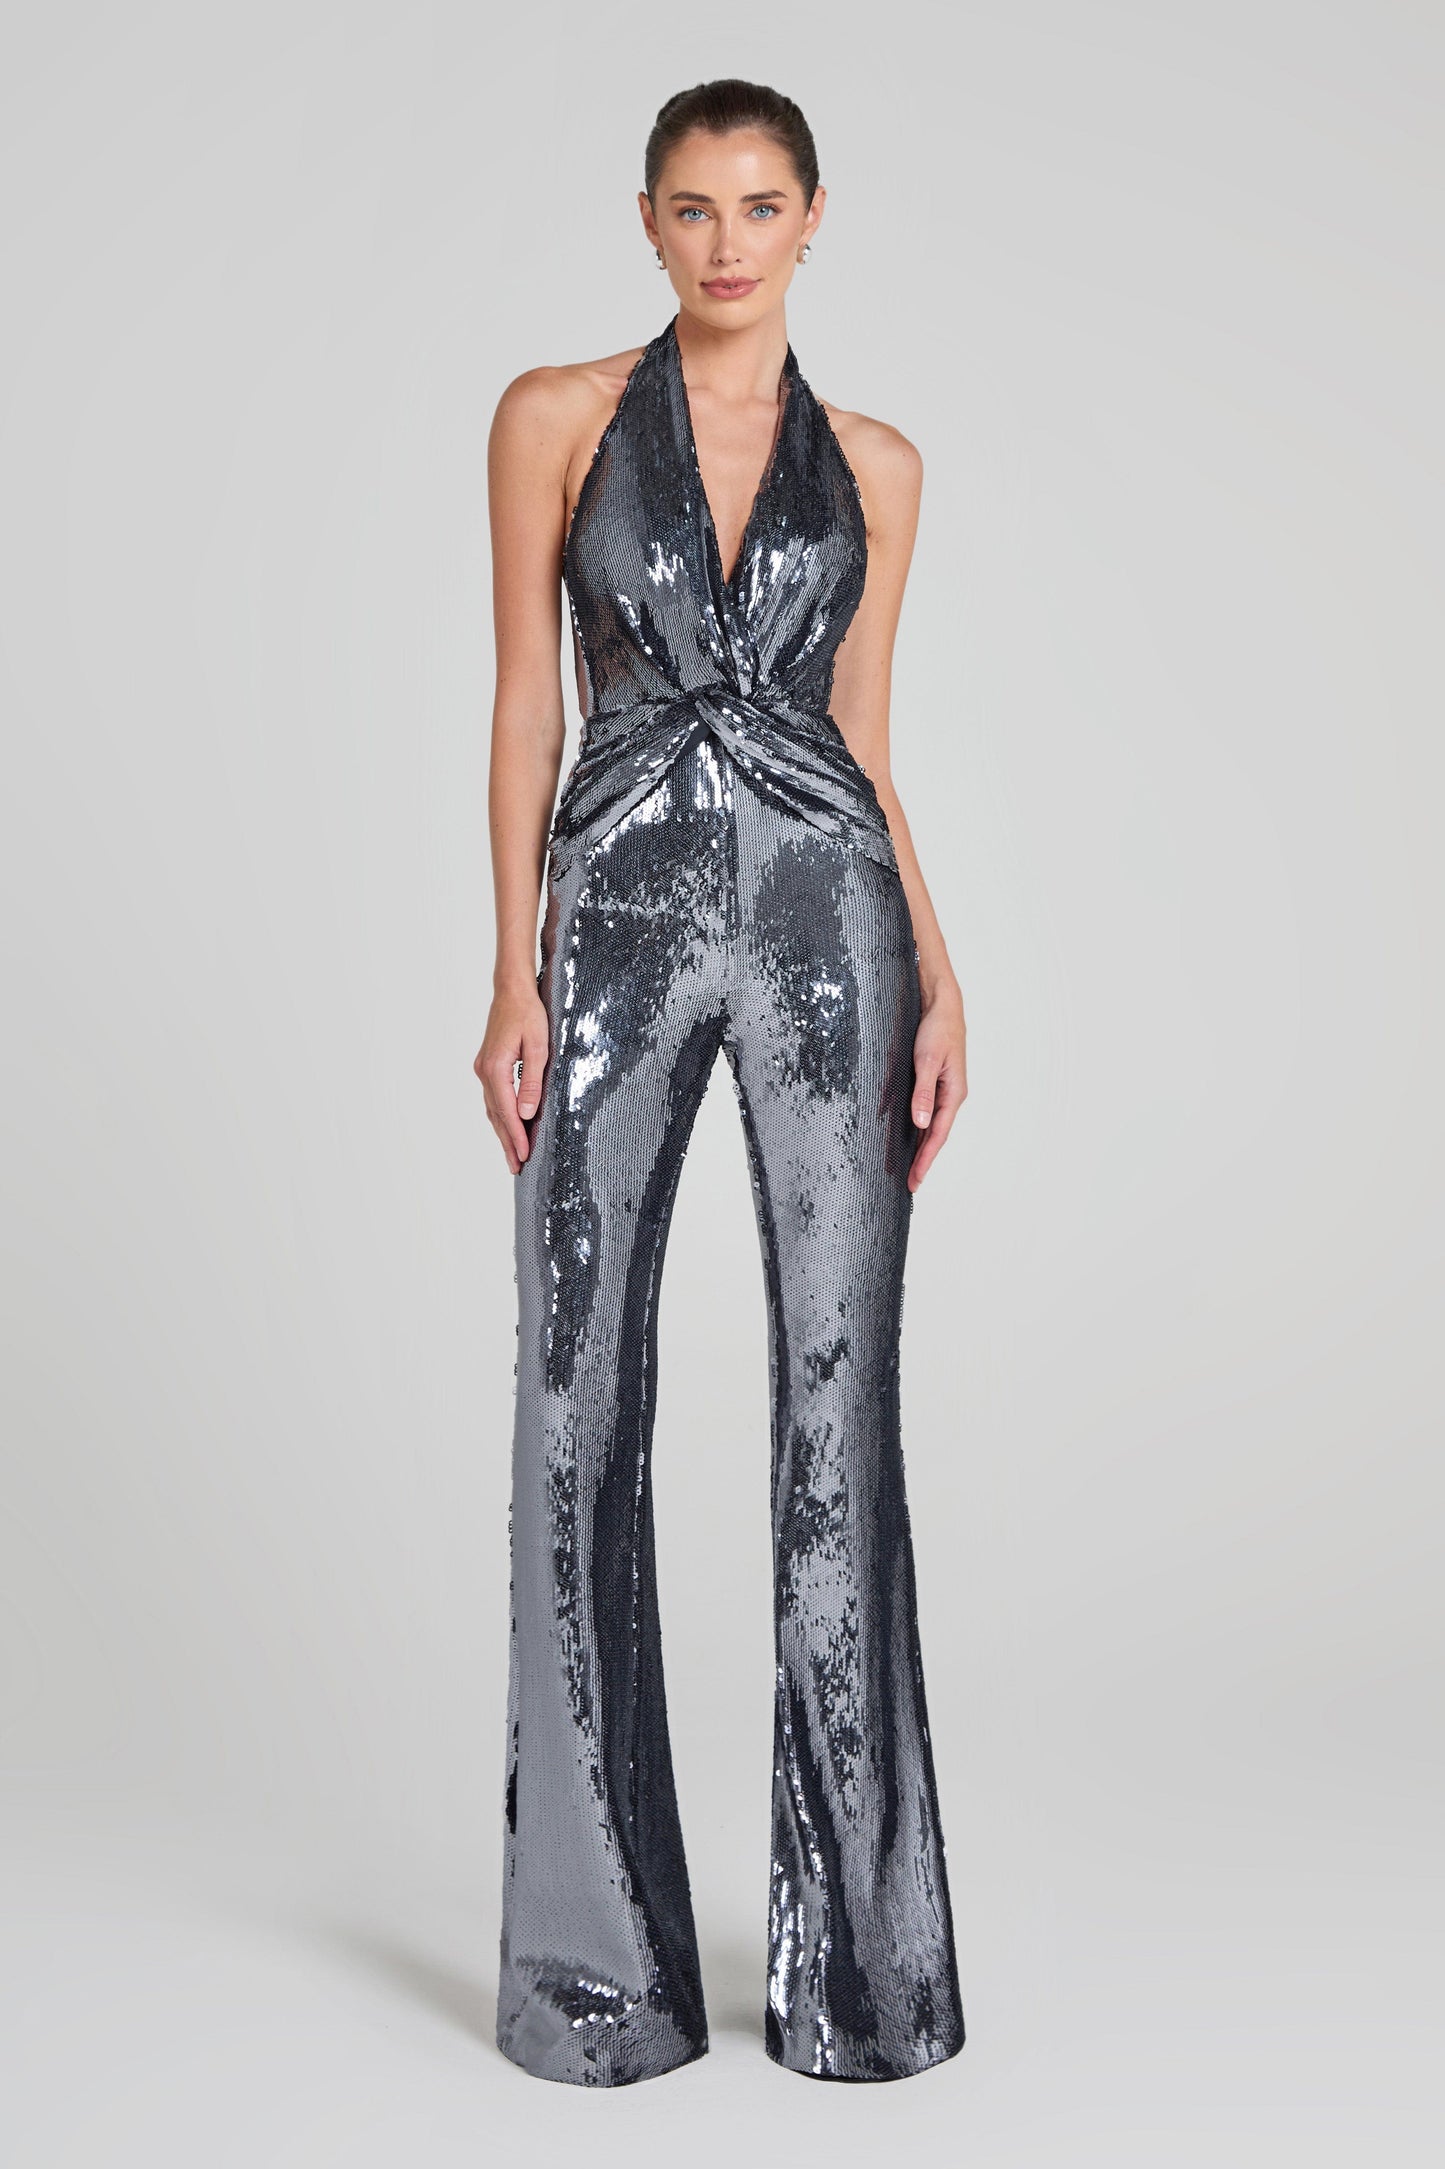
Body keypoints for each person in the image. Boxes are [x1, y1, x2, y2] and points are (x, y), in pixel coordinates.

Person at [474, 77, 969, 2087]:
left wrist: (939, 970)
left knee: (842, 1409)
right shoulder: (555, 416)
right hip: (609, 918)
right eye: (692, 207)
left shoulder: (880, 465)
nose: (727, 242)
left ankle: (863, 1975)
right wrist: (506, 963)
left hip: (829, 927)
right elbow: (524, 698)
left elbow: (867, 738)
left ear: (812, 218)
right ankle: (600, 1975)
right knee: (574, 1394)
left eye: (760, 206)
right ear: (649, 221)